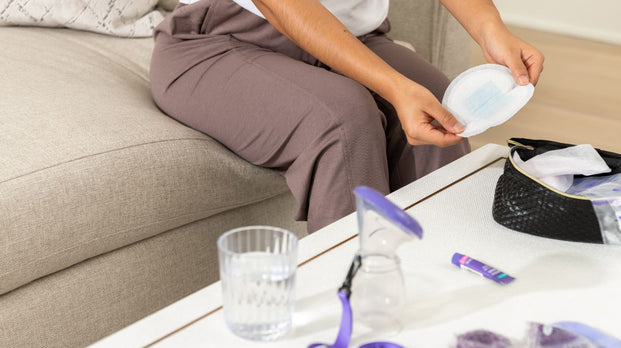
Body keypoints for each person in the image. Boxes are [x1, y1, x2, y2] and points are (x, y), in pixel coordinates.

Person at [150, 0, 544, 232]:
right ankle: (351, 311)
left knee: (442, 113)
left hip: (352, 37)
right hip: (217, 43)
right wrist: (393, 86)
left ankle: (443, 280)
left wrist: (492, 30)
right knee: (343, 122)